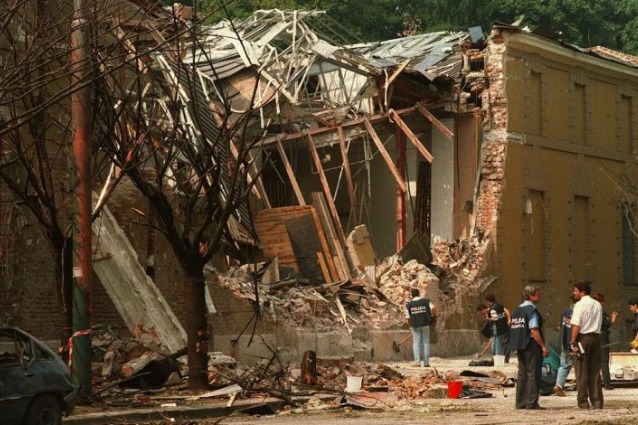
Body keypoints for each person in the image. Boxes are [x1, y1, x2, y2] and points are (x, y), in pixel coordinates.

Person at [509, 285, 550, 410]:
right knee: (533, 374)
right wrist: (543, 347)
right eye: (538, 294)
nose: (540, 296)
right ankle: (532, 403)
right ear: (531, 296)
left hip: (520, 345)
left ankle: (521, 402)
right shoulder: (532, 311)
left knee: (522, 374)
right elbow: (534, 330)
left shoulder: (517, 310)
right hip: (531, 345)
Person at [570, 281, 603, 409]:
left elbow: (576, 325)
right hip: (596, 338)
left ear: (582, 292)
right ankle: (597, 401)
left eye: (576, 291)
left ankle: (583, 402)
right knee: (595, 371)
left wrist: (573, 341)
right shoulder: (597, 304)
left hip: (583, 338)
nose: (574, 293)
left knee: (582, 370)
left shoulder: (579, 305)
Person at [406, 287, 437, 367]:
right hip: (425, 324)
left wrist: (410, 326)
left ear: (411, 295)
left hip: (415, 326)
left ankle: (417, 362)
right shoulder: (425, 301)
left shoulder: (409, 305)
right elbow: (433, 308)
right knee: (426, 342)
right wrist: (434, 317)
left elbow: (408, 317)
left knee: (416, 343)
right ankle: (426, 363)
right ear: (418, 293)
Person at [592, 293, 618, 390]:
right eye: (603, 301)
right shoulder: (601, 312)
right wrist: (612, 320)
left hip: (593, 338)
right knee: (604, 361)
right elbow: (606, 324)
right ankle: (607, 384)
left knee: (594, 361)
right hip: (602, 339)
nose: (603, 303)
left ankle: (593, 384)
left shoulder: (590, 311)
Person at [554, 298, 575, 397]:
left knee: (564, 363)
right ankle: (559, 385)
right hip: (572, 341)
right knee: (567, 364)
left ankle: (559, 385)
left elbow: (559, 326)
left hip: (564, 340)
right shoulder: (577, 311)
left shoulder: (565, 310)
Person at [486, 294, 510, 358]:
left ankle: (497, 357)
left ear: (488, 301)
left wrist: (489, 318)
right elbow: (504, 313)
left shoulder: (492, 308)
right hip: (504, 326)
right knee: (506, 344)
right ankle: (506, 359)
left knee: (497, 343)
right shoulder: (500, 305)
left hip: (498, 328)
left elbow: (495, 318)